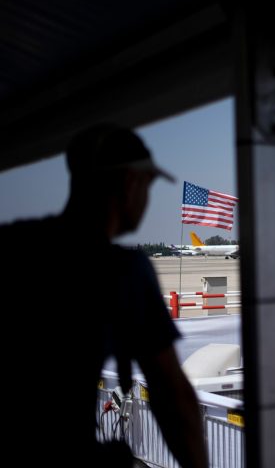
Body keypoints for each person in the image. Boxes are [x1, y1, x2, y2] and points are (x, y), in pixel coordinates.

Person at [0, 125, 207, 467]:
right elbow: (173, 395)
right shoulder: (123, 271)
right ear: (130, 184)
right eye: (148, 186)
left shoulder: (13, 245)